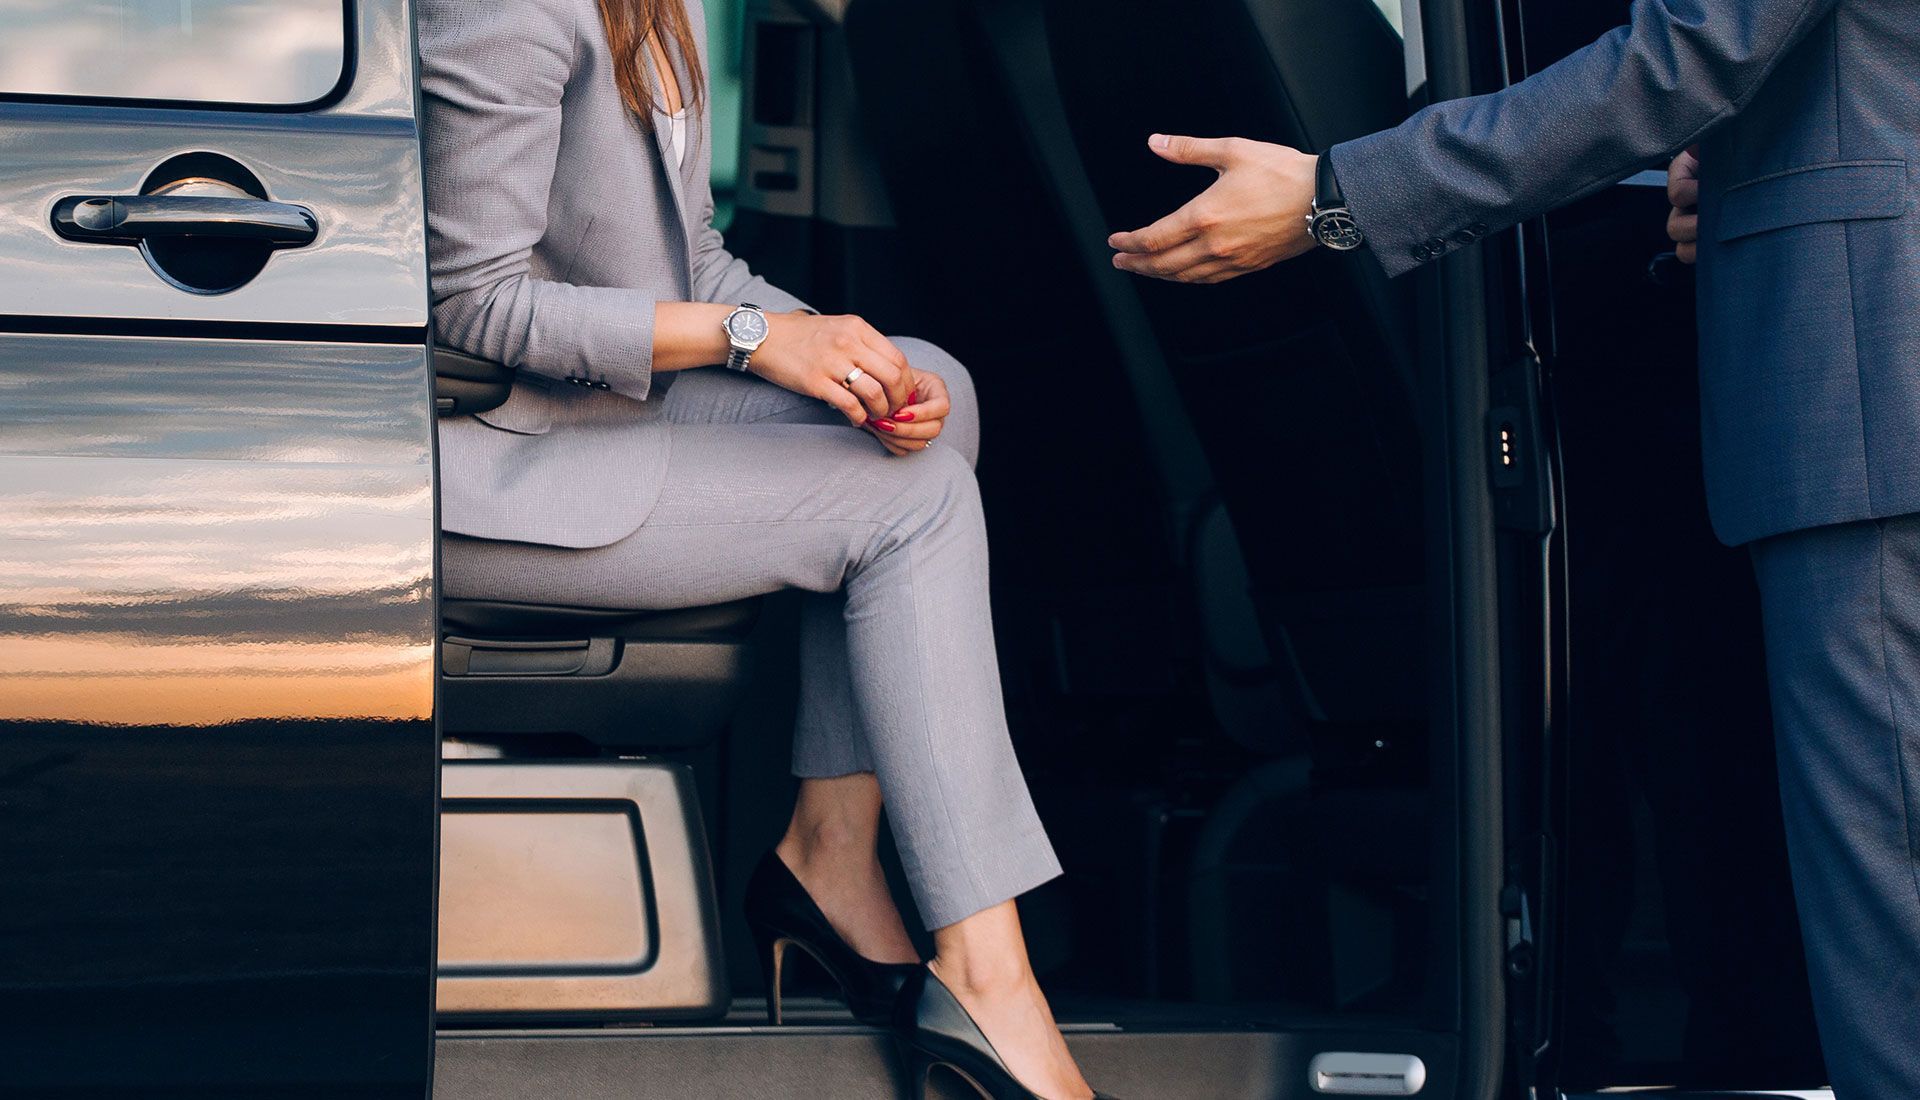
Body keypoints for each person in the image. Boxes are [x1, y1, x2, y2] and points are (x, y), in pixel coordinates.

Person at [1109, 2, 1918, 1095]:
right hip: (1861, 387)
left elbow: (1692, 50)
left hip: (1871, 398)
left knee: (1893, 931)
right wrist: (1743, 179)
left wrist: (1335, 198)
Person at [417, 1, 1111, 1096]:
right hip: (495, 466)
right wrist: (752, 341)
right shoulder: (504, 8)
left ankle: (830, 853)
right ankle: (988, 975)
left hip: (596, 410)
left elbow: (691, 260)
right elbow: (471, 304)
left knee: (937, 395)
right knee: (914, 499)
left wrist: (839, 358)